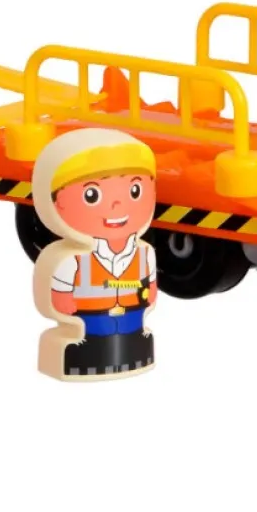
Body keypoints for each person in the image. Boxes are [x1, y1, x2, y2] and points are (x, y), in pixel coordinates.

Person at [30, 128, 160, 381]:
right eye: (92, 195)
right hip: (89, 325)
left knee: (135, 347)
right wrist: (62, 299)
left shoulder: (145, 254)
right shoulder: (72, 260)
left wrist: (150, 290)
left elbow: (150, 285)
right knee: (84, 354)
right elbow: (59, 293)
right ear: (57, 201)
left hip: (133, 322)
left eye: (135, 190)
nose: (117, 204)